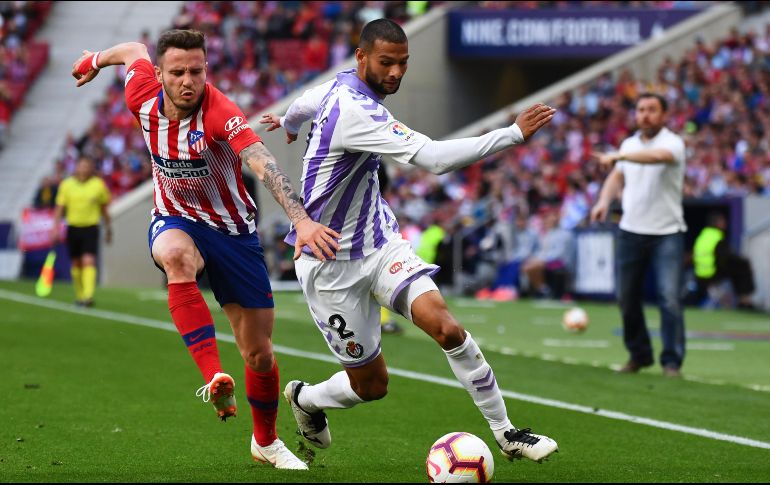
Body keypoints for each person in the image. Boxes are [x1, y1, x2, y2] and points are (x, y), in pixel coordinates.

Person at [260, 19, 558, 463]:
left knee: (447, 328)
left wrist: (288, 120)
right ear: (362, 58)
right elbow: (434, 160)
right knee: (371, 386)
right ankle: (307, 399)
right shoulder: (358, 111)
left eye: (403, 63)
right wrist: (511, 134)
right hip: (329, 265)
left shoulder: (338, 86)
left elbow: (306, 101)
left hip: (380, 245)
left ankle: (507, 432)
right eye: (386, 63)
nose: (396, 72)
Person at [70, 29, 341, 470]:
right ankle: (214, 376)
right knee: (177, 259)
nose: (188, 81)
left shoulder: (221, 111)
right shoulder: (141, 94)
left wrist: (301, 221)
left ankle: (265, 442)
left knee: (260, 353)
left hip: (234, 233)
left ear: (206, 70)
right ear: (159, 75)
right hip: (175, 219)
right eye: (177, 72)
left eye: (196, 71)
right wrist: (95, 59)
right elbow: (133, 51)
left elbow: (261, 161)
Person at [590, 92, 687, 378]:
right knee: (627, 298)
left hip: (667, 231)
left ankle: (671, 362)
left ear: (664, 115)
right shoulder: (629, 144)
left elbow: (658, 157)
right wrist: (604, 201)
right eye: (641, 109)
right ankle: (639, 355)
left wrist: (619, 155)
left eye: (651, 110)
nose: (645, 115)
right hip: (631, 230)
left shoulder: (673, 142)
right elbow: (617, 176)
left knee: (669, 299)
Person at [51, 156, 112, 307]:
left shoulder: (98, 185)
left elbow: (104, 209)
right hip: (73, 228)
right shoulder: (67, 185)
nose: (84, 168)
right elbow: (60, 208)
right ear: (76, 167)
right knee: (76, 263)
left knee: (88, 260)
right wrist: (55, 228)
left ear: (92, 168)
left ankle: (88, 296)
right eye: (81, 165)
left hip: (91, 228)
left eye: (87, 166)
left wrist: (108, 228)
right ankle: (80, 295)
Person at [693, 212, 755, 309]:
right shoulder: (717, 237)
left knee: (738, 267)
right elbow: (724, 258)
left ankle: (739, 300)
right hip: (712, 273)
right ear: (717, 223)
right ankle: (744, 301)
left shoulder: (702, 235)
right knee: (743, 266)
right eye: (722, 221)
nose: (725, 223)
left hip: (699, 273)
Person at [521, 207, 574, 299]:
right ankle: (542, 289)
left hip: (561, 262)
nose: (547, 221)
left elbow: (559, 254)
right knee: (527, 266)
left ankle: (544, 290)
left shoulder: (565, 234)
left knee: (533, 266)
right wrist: (535, 258)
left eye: (550, 218)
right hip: (549, 261)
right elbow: (542, 251)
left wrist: (541, 260)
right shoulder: (547, 234)